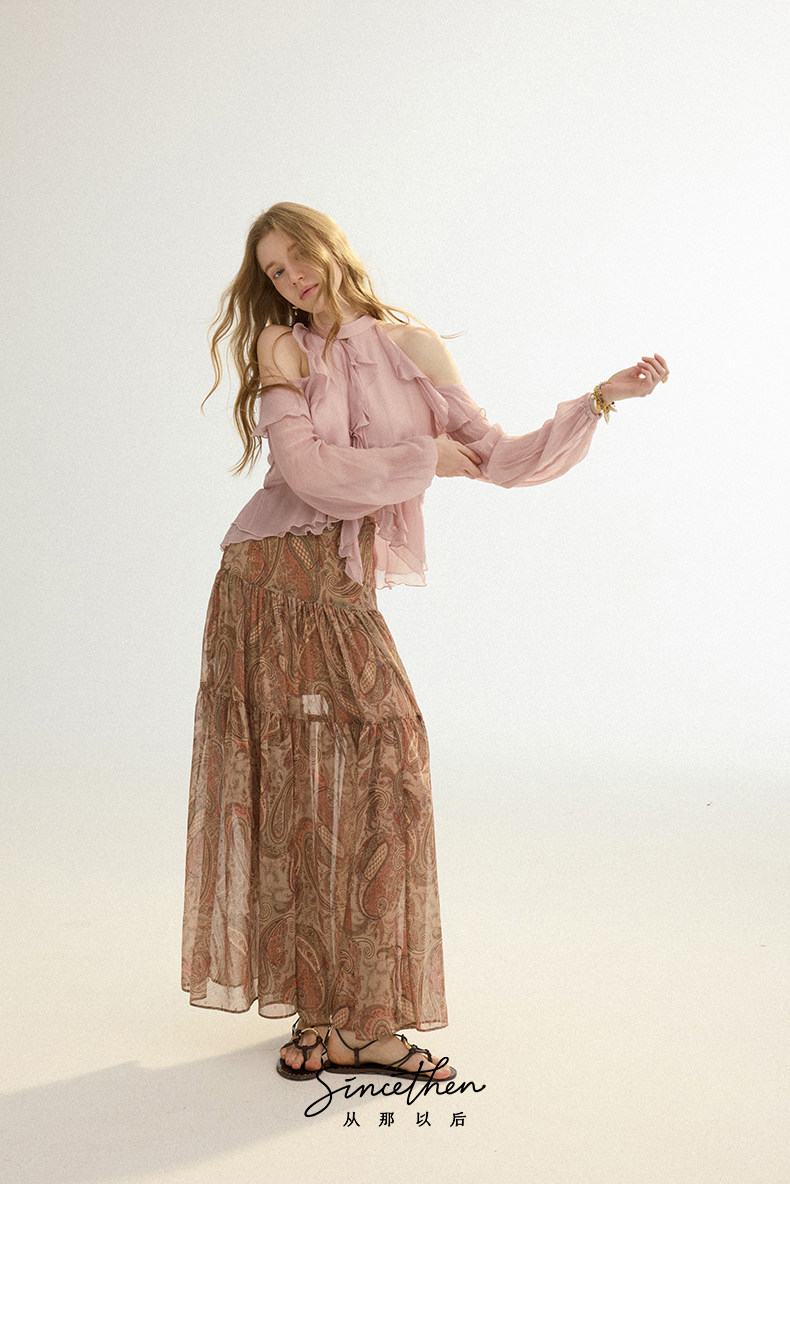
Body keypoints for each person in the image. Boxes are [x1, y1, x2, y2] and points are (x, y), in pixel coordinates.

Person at [181, 201, 669, 1084]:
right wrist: (421, 460)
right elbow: (309, 476)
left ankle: (353, 1022)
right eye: (276, 271)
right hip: (269, 579)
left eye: (299, 257)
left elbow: (503, 459)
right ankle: (330, 1018)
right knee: (302, 786)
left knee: (378, 766)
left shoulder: (414, 349)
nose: (293, 278)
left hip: (337, 588)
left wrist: (600, 400)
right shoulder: (283, 348)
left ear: (332, 247)